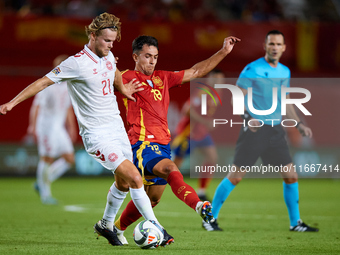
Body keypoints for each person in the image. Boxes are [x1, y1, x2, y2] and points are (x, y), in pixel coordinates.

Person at [0, 12, 169, 247]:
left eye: (113, 41)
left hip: (116, 129)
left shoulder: (108, 56)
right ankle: (156, 227)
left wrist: (124, 88)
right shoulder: (75, 63)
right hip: (96, 135)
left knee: (121, 182)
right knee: (134, 177)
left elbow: (114, 73)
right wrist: (12, 102)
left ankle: (105, 225)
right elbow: (42, 82)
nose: (110, 46)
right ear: (92, 35)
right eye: (106, 41)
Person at [112, 35, 240, 245]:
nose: (152, 61)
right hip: (142, 144)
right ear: (135, 56)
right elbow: (102, 79)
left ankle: (116, 229)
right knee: (172, 169)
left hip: (163, 145)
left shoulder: (164, 78)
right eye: (147, 56)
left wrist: (224, 51)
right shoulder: (126, 77)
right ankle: (199, 205)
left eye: (155, 57)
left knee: (153, 199)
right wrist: (111, 69)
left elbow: (197, 71)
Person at [203, 30, 319, 232]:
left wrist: (299, 124)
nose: (274, 47)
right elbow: (237, 98)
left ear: (284, 47)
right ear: (265, 46)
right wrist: (249, 118)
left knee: (291, 175)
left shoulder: (284, 71)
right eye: (271, 44)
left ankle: (295, 223)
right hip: (255, 131)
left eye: (278, 44)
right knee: (236, 176)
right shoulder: (252, 70)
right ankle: (209, 218)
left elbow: (285, 101)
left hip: (276, 131)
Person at [27, 55, 77, 205]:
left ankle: (41, 182)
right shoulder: (47, 84)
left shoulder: (68, 85)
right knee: (47, 158)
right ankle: (45, 194)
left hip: (59, 128)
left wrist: (71, 127)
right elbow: (36, 106)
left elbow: (67, 108)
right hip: (46, 127)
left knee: (70, 159)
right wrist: (32, 126)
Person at [172, 69, 225, 202]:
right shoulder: (203, 92)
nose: (218, 81)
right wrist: (206, 122)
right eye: (215, 78)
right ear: (210, 79)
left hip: (202, 134)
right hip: (188, 133)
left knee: (212, 158)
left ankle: (201, 191)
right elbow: (187, 110)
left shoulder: (218, 93)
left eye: (220, 79)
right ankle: (154, 184)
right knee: (174, 166)